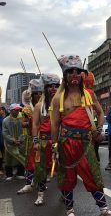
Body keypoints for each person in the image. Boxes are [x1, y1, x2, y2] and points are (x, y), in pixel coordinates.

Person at [51, 54, 111, 216]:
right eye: (70, 71)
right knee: (67, 177)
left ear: (82, 75)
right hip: (66, 143)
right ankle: (69, 210)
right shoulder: (58, 99)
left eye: (77, 71)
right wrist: (54, 145)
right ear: (65, 75)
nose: (74, 74)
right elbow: (55, 124)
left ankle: (104, 209)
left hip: (86, 143)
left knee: (93, 174)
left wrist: (97, 128)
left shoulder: (89, 95)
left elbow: (101, 113)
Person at [29, 74, 60, 205]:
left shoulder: (62, 105)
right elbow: (35, 124)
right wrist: (35, 141)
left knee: (63, 170)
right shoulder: (39, 106)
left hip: (59, 142)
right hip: (43, 142)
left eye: (56, 86)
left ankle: (65, 194)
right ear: (45, 88)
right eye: (50, 86)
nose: (53, 88)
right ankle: (40, 195)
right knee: (41, 170)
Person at [17, 79, 44, 194]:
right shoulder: (27, 109)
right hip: (30, 138)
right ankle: (28, 183)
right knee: (30, 162)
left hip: (43, 138)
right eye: (35, 93)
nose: (38, 95)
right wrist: (32, 121)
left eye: (40, 93)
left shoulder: (44, 106)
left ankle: (39, 184)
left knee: (41, 162)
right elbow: (22, 123)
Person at [2, 103, 25, 181]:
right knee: (8, 158)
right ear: (11, 111)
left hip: (20, 142)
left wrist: (21, 139)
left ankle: (20, 173)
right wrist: (13, 140)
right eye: (16, 110)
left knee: (21, 157)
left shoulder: (22, 119)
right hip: (9, 144)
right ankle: (9, 174)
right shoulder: (6, 120)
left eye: (18, 110)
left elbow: (24, 131)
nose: (18, 111)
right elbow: (5, 133)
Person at [0, 106, 8, 176]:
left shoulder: (3, 117)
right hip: (1, 138)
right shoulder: (2, 118)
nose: (1, 111)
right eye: (1, 110)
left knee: (2, 153)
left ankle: (2, 168)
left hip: (2, 138)